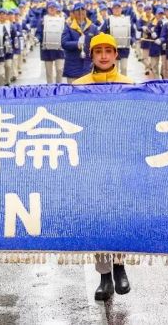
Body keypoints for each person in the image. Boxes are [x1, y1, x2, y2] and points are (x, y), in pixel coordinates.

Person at [72, 33, 132, 301]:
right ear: (91, 55)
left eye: (109, 51)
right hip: (92, 164)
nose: (104, 56)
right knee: (98, 219)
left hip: (121, 163)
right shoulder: (79, 86)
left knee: (119, 217)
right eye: (99, 52)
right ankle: (104, 276)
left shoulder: (130, 86)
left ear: (116, 55)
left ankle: (120, 267)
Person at [61, 2, 98, 83]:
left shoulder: (93, 28)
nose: (81, 12)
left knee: (88, 94)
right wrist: (77, 44)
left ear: (86, 12)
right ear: (74, 13)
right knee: (73, 93)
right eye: (78, 10)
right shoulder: (68, 26)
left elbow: (98, 45)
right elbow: (64, 43)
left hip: (89, 67)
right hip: (73, 67)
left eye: (83, 10)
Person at [36, 1, 66, 84]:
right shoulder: (43, 20)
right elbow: (38, 32)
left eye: (54, 7)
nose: (52, 9)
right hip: (47, 49)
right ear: (47, 9)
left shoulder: (62, 20)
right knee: (49, 73)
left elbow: (65, 32)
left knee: (60, 69)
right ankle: (50, 89)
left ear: (56, 9)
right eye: (50, 7)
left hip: (59, 49)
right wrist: (38, 39)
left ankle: (59, 86)